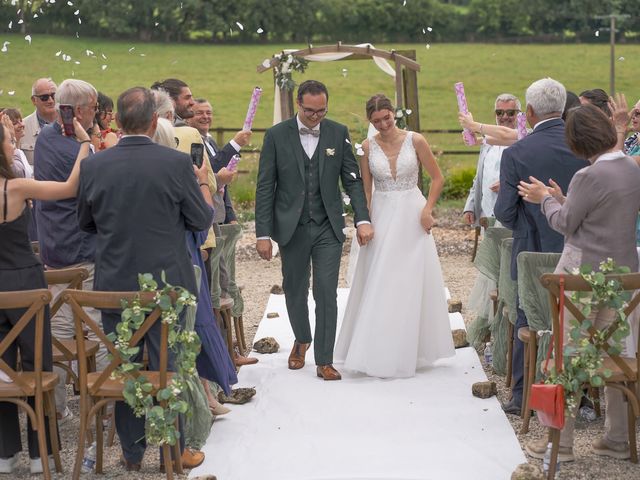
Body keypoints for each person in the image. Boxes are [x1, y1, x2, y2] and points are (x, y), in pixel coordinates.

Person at [77, 86, 210, 471]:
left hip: (115, 282)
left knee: (125, 365)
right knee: (173, 364)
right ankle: (176, 451)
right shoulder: (175, 163)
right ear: (155, 122)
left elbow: (85, 223)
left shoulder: (94, 166)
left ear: (116, 121)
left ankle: (132, 454)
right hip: (168, 281)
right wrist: (202, 183)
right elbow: (200, 221)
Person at [518, 104, 640, 462]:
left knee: (566, 356)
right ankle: (617, 438)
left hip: (582, 280)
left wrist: (545, 202)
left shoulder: (588, 176)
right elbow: (604, 215)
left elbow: (567, 224)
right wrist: (560, 198)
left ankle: (562, 445)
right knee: (618, 353)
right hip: (623, 277)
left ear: (577, 142)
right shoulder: (632, 169)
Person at [255, 79, 373, 381]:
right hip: (291, 227)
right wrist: (262, 234)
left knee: (326, 292)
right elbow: (265, 186)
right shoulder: (276, 136)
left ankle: (324, 359)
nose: (316, 117)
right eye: (310, 111)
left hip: (327, 227)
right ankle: (302, 338)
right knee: (294, 289)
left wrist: (362, 219)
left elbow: (352, 180)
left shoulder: (338, 132)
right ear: (298, 104)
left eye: (321, 111)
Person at [334, 94, 454, 377]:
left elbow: (437, 178)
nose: (383, 124)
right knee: (381, 278)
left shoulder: (416, 140)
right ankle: (376, 348)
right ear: (370, 122)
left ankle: (410, 349)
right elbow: (365, 189)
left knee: (410, 279)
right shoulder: (366, 147)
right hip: (382, 213)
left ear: (394, 114)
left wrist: (427, 210)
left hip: (412, 215)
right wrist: (363, 221)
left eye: (386, 118)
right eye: (376, 121)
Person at [0, 113, 90, 474]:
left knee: (3, 374)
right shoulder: (16, 188)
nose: (13, 143)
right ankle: (42, 454)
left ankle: (5, 454)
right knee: (37, 366)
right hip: (25, 284)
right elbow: (70, 188)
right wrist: (84, 144)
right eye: (8, 139)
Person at [493, 78, 589, 415]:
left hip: (531, 246)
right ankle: (583, 397)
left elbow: (504, 211)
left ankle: (523, 395)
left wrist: (526, 222)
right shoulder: (585, 148)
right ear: (563, 109)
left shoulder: (517, 152)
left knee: (528, 318)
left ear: (529, 112)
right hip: (578, 247)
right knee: (579, 318)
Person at [34, 78, 110, 422]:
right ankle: (107, 403)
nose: (96, 113)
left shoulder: (47, 137)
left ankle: (57, 408)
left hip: (55, 246)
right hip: (79, 247)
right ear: (78, 111)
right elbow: (93, 184)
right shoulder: (70, 144)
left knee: (60, 329)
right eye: (93, 107)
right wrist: (88, 144)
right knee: (96, 324)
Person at [463, 94, 521, 226]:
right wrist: (470, 207)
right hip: (487, 216)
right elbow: (479, 177)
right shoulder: (487, 143)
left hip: (514, 216)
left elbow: (532, 175)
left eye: (510, 113)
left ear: (519, 114)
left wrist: (509, 185)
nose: (504, 117)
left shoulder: (526, 139)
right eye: (499, 112)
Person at [21, 78, 58, 165]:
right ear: (34, 100)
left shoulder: (73, 124)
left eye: (54, 96)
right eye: (44, 97)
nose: (51, 101)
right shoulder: (22, 128)